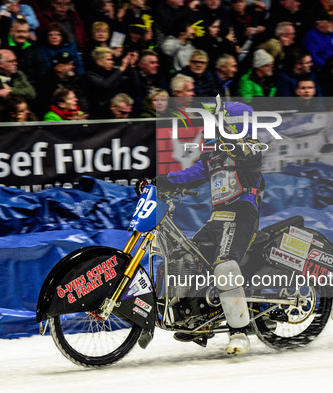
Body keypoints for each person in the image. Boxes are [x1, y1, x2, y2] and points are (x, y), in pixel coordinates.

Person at [151, 100, 265, 356]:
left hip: (242, 218)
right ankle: (199, 320)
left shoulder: (251, 148)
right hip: (216, 220)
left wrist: (231, 141)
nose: (214, 127)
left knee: (224, 265)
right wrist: (158, 182)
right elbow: (189, 174)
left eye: (220, 122)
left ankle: (240, 333)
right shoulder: (213, 155)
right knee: (185, 258)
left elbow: (245, 153)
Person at [82, 47, 138, 119]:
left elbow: (134, 86)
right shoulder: (90, 75)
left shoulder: (114, 73)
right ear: (99, 61)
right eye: (109, 59)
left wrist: (131, 67)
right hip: (97, 117)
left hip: (114, 115)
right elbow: (105, 85)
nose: (112, 62)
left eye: (112, 59)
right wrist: (122, 68)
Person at [3, 19, 47, 87]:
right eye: (19, 31)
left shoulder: (33, 47)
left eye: (25, 32)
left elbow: (41, 69)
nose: (22, 35)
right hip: (8, 85)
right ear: (11, 31)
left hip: (31, 84)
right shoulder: (3, 46)